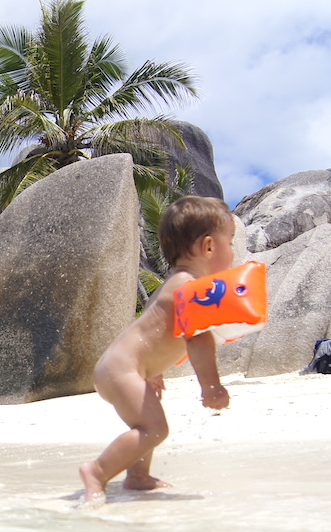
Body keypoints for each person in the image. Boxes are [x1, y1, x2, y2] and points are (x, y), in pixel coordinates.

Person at [79, 196, 235, 507]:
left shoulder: (174, 284)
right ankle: (96, 472)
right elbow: (198, 340)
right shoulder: (189, 288)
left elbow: (154, 330)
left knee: (147, 423)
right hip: (121, 369)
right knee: (154, 428)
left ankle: (138, 476)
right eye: (229, 241)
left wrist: (154, 370)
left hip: (124, 366)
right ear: (208, 247)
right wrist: (211, 386)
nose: (232, 250)